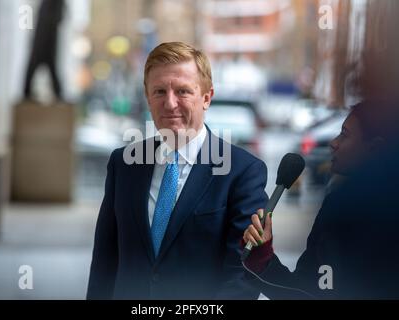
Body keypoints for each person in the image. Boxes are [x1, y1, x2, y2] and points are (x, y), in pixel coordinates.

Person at [87, 42, 268, 299]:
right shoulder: (124, 164)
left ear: (206, 97)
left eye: (183, 91)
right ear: (147, 96)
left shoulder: (242, 172)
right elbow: (105, 262)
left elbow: (241, 276)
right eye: (159, 91)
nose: (170, 104)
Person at [242, 100, 399, 299]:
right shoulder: (337, 205)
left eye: (345, 134)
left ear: (375, 148)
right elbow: (303, 291)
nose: (333, 143)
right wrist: (262, 259)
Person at [24, 0, 65, 100]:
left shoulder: (55, 3)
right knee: (34, 69)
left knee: (49, 68)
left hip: (46, 41)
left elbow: (57, 18)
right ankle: (27, 92)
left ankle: (58, 93)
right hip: (42, 40)